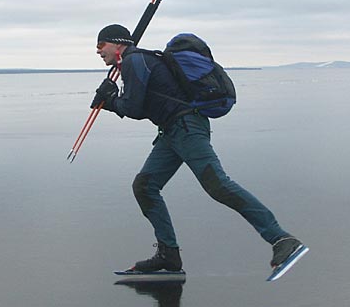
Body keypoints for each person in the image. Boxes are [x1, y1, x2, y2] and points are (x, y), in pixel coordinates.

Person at [91, 23, 304, 274]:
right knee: (145, 186)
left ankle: (282, 239)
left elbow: (134, 108)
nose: (97, 51)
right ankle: (168, 255)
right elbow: (142, 103)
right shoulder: (135, 61)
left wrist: (110, 101)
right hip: (172, 131)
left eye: (100, 44)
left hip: (186, 128)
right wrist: (113, 99)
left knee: (218, 185)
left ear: (117, 44)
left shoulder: (134, 61)